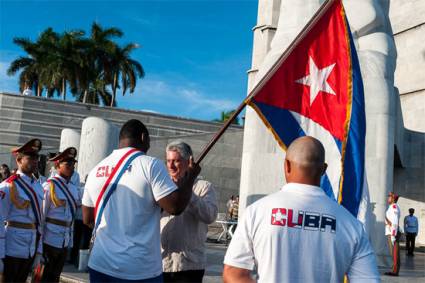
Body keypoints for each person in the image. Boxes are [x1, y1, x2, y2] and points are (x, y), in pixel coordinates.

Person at [223, 136, 380, 282]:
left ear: (287, 165)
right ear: (324, 169)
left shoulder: (256, 212)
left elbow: (233, 273)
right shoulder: (352, 225)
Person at [82, 119, 200, 282]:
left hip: (100, 263)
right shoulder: (151, 165)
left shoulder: (96, 170)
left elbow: (87, 218)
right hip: (139, 269)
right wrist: (191, 177)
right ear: (144, 137)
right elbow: (175, 207)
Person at [161, 141, 218, 283]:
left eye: (176, 161)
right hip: (160, 263)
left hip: (189, 265)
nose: (171, 165)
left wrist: (188, 192)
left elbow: (210, 215)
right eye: (168, 161)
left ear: (189, 162)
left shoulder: (204, 187)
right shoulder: (161, 186)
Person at [0, 138, 44, 282]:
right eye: (30, 157)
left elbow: (40, 221)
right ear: (19, 160)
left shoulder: (38, 186)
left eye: (37, 157)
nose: (35, 160)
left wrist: (39, 251)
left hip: (30, 247)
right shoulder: (8, 186)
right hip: (11, 248)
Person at [41, 147, 81, 282]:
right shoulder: (49, 187)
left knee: (55, 277)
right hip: (49, 240)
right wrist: (38, 246)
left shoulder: (73, 189)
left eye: (73, 164)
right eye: (68, 164)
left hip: (65, 241)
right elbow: (41, 217)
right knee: (43, 277)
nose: (71, 167)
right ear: (57, 165)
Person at [385, 192, 401, 276]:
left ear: (393, 198)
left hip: (393, 232)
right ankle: (393, 270)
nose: (388, 198)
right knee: (393, 253)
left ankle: (395, 271)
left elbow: (394, 222)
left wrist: (393, 235)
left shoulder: (394, 207)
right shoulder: (391, 207)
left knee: (395, 253)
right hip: (391, 231)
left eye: (389, 197)